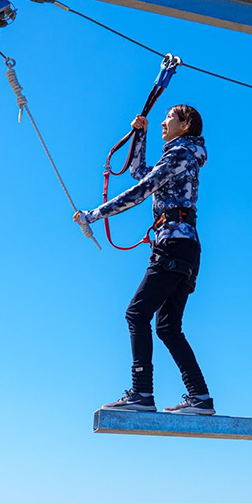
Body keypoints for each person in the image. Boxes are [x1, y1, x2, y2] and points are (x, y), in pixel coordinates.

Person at [73, 105, 214, 415]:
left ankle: (142, 393)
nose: (164, 121)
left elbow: (141, 189)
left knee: (136, 315)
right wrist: (141, 136)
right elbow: (141, 173)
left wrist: (94, 214)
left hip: (173, 246)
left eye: (169, 118)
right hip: (186, 248)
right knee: (167, 327)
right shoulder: (181, 155)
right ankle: (200, 397)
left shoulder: (180, 154)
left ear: (185, 124)